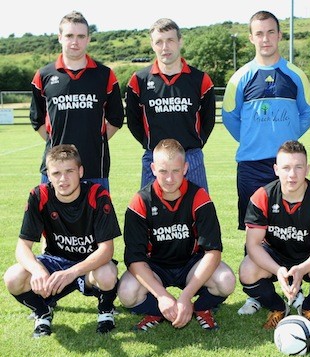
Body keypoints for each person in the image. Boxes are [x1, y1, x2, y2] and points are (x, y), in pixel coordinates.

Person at [222, 10, 310, 315]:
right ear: (251, 38)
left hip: (287, 167)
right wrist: (255, 141)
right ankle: (257, 294)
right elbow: (231, 119)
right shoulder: (240, 78)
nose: (265, 38)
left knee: (290, 229)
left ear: (279, 34)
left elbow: (308, 112)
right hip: (251, 166)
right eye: (259, 33)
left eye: (270, 32)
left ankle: (295, 289)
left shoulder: (295, 74)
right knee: (256, 233)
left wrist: (285, 142)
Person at [3, 144, 121, 338]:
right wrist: (38, 270)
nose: (63, 179)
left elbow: (106, 250)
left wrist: (72, 273)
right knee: (13, 277)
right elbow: (22, 247)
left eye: (69, 171)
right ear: (48, 174)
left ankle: (106, 310)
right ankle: (42, 312)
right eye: (56, 173)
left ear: (80, 171)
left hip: (88, 268)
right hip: (55, 264)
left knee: (108, 273)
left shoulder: (97, 195)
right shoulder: (39, 196)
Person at [117, 139, 235, 332]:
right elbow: (134, 259)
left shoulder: (199, 197)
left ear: (185, 168)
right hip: (155, 266)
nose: (169, 178)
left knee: (226, 280)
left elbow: (213, 252)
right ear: (153, 168)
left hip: (190, 264)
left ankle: (198, 308)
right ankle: (159, 311)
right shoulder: (140, 201)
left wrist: (186, 296)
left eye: (176, 171)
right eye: (163, 171)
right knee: (127, 293)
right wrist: (162, 296)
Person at [238, 140, 310, 329]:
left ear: (307, 169)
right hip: (274, 255)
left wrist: (302, 269)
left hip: (309, 257)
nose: (292, 175)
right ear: (276, 169)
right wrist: (277, 270)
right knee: (247, 270)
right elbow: (253, 245)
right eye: (286, 168)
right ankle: (278, 308)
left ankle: (307, 308)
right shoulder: (262, 196)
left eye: (298, 167)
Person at [29, 11, 124, 190]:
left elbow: (116, 119)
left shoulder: (104, 75)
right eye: (69, 35)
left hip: (94, 167)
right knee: (52, 218)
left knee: (97, 218)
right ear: (60, 37)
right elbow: (37, 120)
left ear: (88, 39)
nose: (75, 41)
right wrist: (57, 144)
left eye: (81, 36)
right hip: (55, 169)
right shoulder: (44, 75)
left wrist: (95, 140)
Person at [126, 18, 216, 191]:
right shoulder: (139, 80)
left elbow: (208, 119)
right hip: (154, 158)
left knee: (198, 213)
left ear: (180, 41)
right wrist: (149, 143)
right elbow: (133, 121)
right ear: (152, 44)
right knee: (151, 215)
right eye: (159, 42)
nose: (165, 47)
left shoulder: (200, 79)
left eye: (170, 40)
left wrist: (196, 142)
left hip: (191, 158)